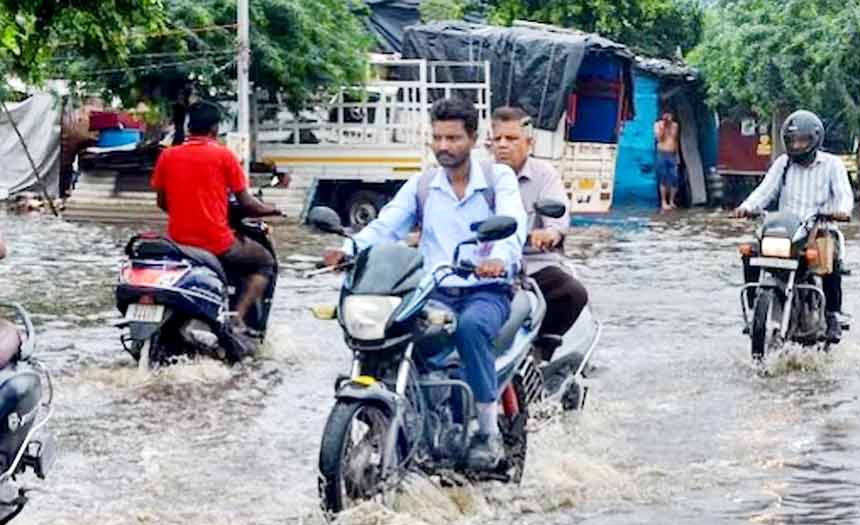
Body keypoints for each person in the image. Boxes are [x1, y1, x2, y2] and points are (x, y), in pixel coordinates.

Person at [323, 97, 526, 471]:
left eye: (454, 138)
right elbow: (386, 227)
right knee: (391, 334)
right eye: (438, 138)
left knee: (470, 329)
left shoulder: (499, 179)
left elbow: (512, 223)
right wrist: (347, 249)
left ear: (473, 138)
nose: (444, 147)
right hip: (433, 288)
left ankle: (486, 432)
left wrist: (498, 258)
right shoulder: (423, 185)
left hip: (486, 288)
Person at [150, 99, 282, 353]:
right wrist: (271, 210)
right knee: (264, 262)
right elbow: (247, 204)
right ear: (214, 128)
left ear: (189, 127)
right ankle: (238, 316)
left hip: (178, 244)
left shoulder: (168, 155)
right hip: (216, 242)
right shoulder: (223, 155)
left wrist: (184, 212)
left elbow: (162, 202)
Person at [734, 110, 854, 342]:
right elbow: (764, 191)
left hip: (819, 228)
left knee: (829, 258)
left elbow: (843, 195)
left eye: (802, 140)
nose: (797, 146)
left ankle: (832, 315)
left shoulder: (832, 164)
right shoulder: (783, 163)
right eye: (792, 141)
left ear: (815, 139)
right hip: (785, 230)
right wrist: (746, 207)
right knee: (750, 252)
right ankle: (754, 309)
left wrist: (841, 212)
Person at [487, 105, 588, 340]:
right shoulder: (478, 175)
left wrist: (550, 234)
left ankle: (542, 349)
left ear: (529, 143)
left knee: (572, 293)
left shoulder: (544, 174)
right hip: (487, 266)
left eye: (511, 138)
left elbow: (557, 219)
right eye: (497, 138)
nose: (503, 145)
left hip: (532, 265)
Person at [654, 110, 681, 211]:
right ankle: (663, 202)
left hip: (672, 154)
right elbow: (659, 138)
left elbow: (675, 138)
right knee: (663, 178)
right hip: (662, 153)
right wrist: (664, 127)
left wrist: (677, 155)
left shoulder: (675, 126)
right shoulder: (658, 125)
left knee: (674, 178)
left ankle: (672, 201)